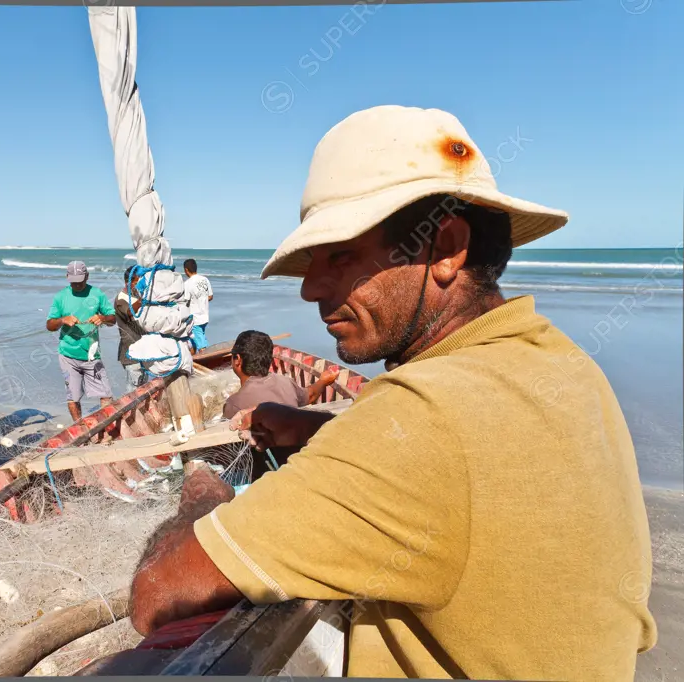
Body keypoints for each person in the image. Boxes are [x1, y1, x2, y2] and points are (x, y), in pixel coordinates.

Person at [127, 105, 656, 679]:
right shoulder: (563, 365)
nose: (308, 288)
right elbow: (467, 471)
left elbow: (159, 592)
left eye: (339, 255)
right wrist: (316, 430)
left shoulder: (423, 415)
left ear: (447, 248)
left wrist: (204, 493)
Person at [45, 261, 117, 422]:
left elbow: (113, 319)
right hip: (68, 355)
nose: (77, 285)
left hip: (92, 355)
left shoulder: (97, 294)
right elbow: (49, 325)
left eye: (80, 280)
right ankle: (80, 428)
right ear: (67, 277)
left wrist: (102, 318)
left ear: (87, 276)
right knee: (73, 396)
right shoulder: (60, 297)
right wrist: (63, 320)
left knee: (105, 395)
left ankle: (107, 428)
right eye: (73, 281)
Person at [222, 330, 340, 421]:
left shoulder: (233, 404)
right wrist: (323, 381)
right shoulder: (286, 383)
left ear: (237, 359)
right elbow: (310, 395)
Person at [114, 266, 147, 391]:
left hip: (144, 351)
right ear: (129, 282)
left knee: (143, 388)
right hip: (130, 352)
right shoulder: (121, 299)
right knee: (133, 390)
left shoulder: (137, 296)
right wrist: (145, 298)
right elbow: (129, 312)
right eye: (139, 282)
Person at [182, 259, 213, 353]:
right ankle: (193, 360)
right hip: (205, 316)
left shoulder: (187, 284)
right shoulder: (205, 280)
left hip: (194, 319)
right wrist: (201, 300)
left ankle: (206, 360)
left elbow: (185, 301)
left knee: (201, 344)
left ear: (186, 270)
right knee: (195, 340)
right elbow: (210, 296)